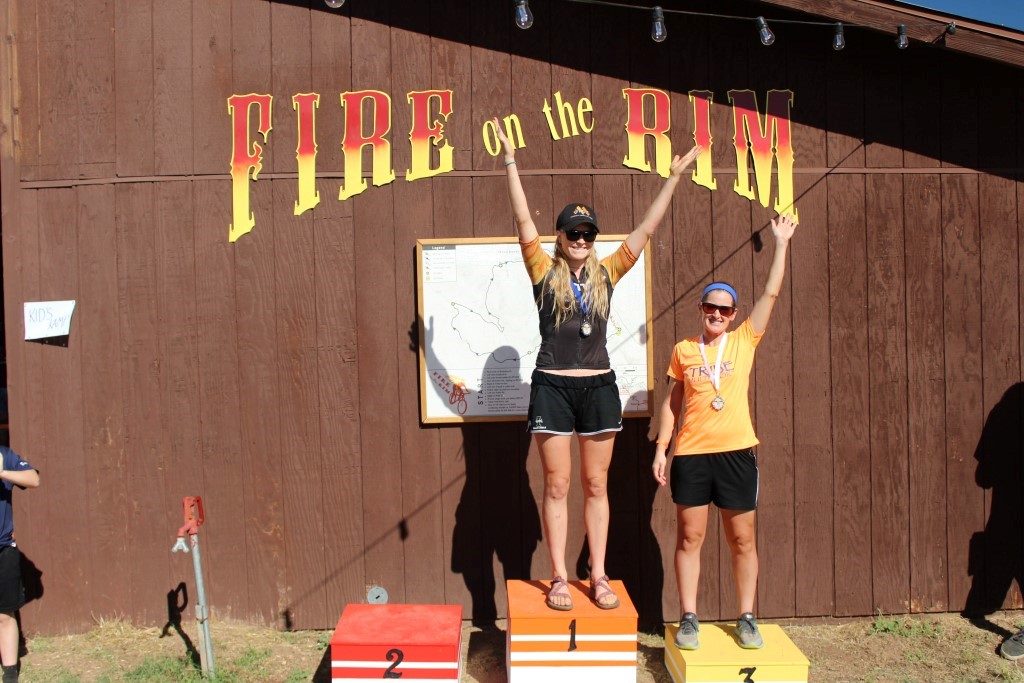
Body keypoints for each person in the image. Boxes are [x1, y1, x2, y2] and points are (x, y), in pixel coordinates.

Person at [494, 117, 700, 610]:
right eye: (574, 232)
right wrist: (510, 163)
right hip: (552, 387)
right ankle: (559, 578)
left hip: (599, 388)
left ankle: (600, 576)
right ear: (560, 236)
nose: (581, 240)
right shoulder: (543, 270)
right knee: (557, 484)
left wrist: (672, 179)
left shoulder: (607, 273)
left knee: (595, 484)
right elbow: (523, 222)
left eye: (588, 233)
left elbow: (647, 229)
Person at [651, 213, 797, 649]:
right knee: (689, 537)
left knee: (742, 539)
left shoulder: (744, 340)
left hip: (737, 454)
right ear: (701, 309)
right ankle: (689, 618)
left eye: (725, 309)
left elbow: (771, 292)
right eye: (710, 307)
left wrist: (781, 243)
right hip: (692, 456)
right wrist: (662, 448)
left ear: (733, 315)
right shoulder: (683, 350)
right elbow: (672, 403)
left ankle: (747, 617)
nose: (717, 314)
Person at [0, 446, 40, 683]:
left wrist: (3, 473)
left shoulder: (4, 456)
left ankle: (10, 674)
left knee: (4, 614)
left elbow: (34, 479)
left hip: (3, 548)